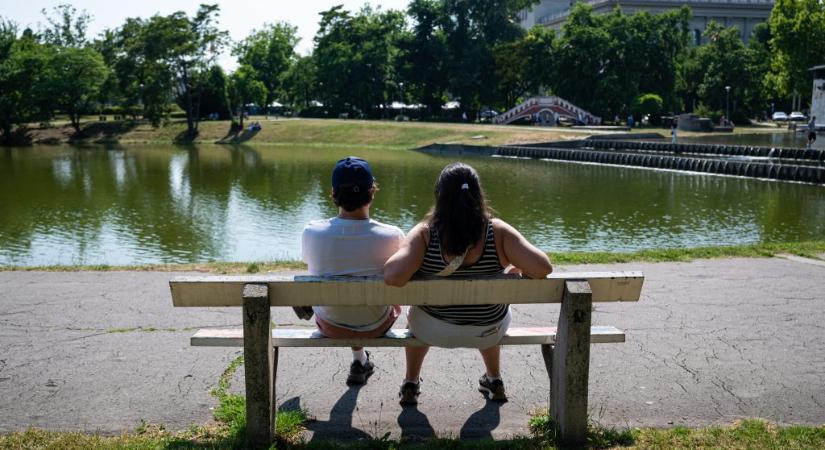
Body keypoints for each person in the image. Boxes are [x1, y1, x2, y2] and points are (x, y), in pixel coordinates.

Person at [384, 162, 553, 405]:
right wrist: (516, 268)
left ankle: (411, 382)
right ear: (478, 194)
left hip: (433, 330)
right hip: (488, 331)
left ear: (439, 197)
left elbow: (392, 276)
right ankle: (494, 379)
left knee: (416, 311)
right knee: (492, 308)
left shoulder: (425, 234)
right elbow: (542, 268)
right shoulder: (498, 232)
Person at [302, 156, 405, 385]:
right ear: (372, 192)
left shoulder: (312, 231)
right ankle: (360, 360)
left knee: (342, 296)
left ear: (333, 192)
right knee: (373, 301)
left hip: (330, 325)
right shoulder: (393, 235)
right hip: (376, 324)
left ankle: (360, 360)